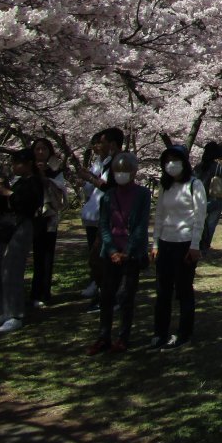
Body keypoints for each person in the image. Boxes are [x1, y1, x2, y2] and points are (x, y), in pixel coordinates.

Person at [88, 152, 151, 355]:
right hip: (111, 252)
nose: (121, 174)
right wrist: (112, 250)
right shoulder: (108, 196)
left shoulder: (142, 194)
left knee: (126, 296)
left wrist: (128, 251)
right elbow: (104, 225)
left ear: (133, 172)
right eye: (118, 171)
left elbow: (141, 225)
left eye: (126, 171)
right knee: (106, 295)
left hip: (131, 254)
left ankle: (123, 337)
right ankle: (103, 336)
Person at [152, 145, 206, 349]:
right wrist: (155, 242)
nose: (171, 164)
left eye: (175, 159)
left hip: (184, 243)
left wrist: (195, 245)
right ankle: (160, 332)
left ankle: (184, 332)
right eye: (167, 160)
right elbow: (159, 216)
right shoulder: (165, 186)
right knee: (163, 291)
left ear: (184, 161)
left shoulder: (195, 184)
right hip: (166, 242)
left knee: (183, 290)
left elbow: (200, 216)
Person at [0, 149, 43, 334]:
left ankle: (16, 314)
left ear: (28, 163)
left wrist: (9, 194)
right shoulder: (19, 182)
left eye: (16, 163)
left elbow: (29, 204)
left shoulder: (35, 182)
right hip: (6, 225)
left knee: (12, 268)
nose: (13, 167)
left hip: (22, 225)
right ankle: (4, 309)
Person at [76, 127, 120, 308]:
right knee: (95, 256)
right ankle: (99, 287)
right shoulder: (99, 163)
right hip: (94, 213)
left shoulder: (118, 162)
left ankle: (109, 295)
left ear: (112, 144)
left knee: (104, 257)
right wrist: (87, 179)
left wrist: (91, 178)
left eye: (101, 142)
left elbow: (109, 186)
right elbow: (91, 190)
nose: (97, 146)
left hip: (109, 214)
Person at [29, 137, 67, 309]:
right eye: (37, 149)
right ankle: (32, 292)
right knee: (33, 255)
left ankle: (43, 292)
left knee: (45, 255)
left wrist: (45, 175)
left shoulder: (55, 171)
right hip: (30, 216)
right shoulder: (28, 169)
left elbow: (60, 190)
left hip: (49, 217)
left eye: (44, 149)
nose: (41, 152)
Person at [196, 141, 222, 257]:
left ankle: (198, 244)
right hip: (214, 198)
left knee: (199, 223)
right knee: (210, 225)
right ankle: (205, 247)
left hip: (199, 199)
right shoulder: (218, 167)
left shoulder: (198, 167)